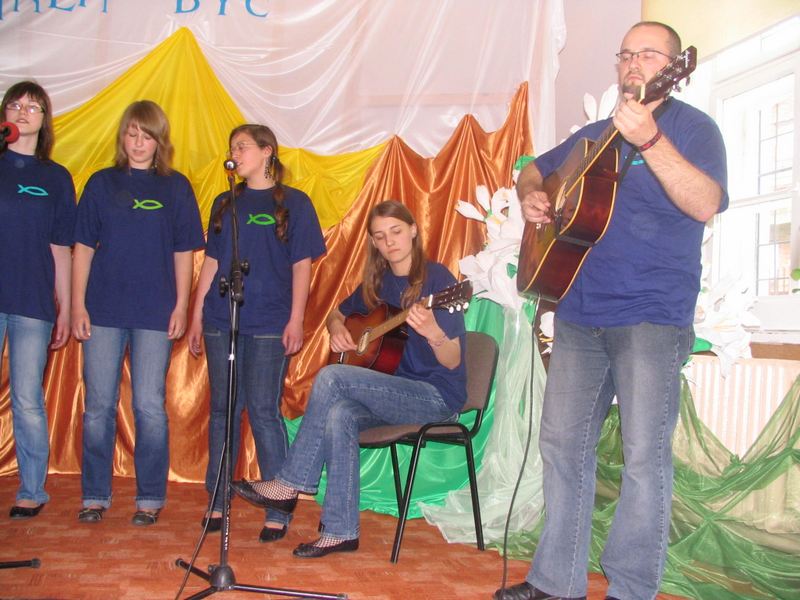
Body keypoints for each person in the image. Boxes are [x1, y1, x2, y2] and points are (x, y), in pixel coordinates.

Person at [497, 22, 728, 600]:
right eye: (625, 54)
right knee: (561, 447)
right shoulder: (594, 135)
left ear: (674, 68)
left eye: (647, 54)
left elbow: (705, 203)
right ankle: (557, 582)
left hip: (651, 315)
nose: (632, 63)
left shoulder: (695, 128)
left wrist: (650, 141)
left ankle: (630, 589)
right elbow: (531, 165)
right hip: (579, 314)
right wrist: (532, 194)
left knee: (643, 458)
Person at [230, 199, 467, 557]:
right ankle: (340, 531)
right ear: (372, 242)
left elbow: (453, 360)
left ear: (414, 230)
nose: (389, 242)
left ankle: (290, 483)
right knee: (340, 412)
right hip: (394, 395)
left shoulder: (439, 282)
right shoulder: (378, 284)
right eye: (380, 236)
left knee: (332, 378)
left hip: (436, 398)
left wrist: (434, 333)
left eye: (396, 231)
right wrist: (337, 329)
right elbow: (337, 314)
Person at [187, 124, 326, 542]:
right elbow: (212, 263)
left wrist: (296, 319)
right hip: (222, 319)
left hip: (269, 321)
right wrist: (196, 315)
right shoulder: (225, 202)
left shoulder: (295, 204)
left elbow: (302, 266)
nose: (235, 153)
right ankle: (217, 498)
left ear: (267, 152)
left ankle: (278, 505)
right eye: (232, 148)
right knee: (223, 410)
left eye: (242, 147)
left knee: (264, 411)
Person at [71, 100, 204, 526]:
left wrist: (181, 304)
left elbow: (184, 252)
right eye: (132, 134)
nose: (139, 143)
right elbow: (82, 249)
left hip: (155, 312)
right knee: (98, 407)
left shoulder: (176, 187)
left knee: (148, 406)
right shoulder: (101, 183)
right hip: (103, 310)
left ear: (159, 141)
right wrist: (77, 304)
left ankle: (149, 497)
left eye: (147, 136)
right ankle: (95, 495)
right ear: (122, 137)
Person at [0, 81, 76, 519]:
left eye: (33, 106)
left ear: (45, 119)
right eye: (15, 104)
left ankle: (32, 489)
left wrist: (65, 306)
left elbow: (61, 248)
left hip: (32, 302)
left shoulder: (56, 177)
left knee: (27, 397)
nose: (23, 111)